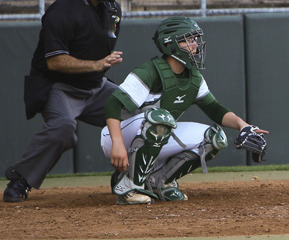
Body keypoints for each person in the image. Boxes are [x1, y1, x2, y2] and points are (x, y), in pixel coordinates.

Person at [101, 17, 269, 205]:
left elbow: (214, 109)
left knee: (214, 138)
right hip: (117, 136)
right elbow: (113, 105)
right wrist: (117, 144)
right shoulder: (149, 71)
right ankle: (129, 185)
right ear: (169, 43)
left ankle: (160, 181)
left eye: (195, 39)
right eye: (188, 40)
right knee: (161, 119)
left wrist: (244, 126)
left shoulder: (194, 77)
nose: (195, 44)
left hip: (154, 132)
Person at [3, 0, 122, 203]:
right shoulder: (62, 12)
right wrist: (97, 64)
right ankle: (21, 179)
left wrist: (98, 68)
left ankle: (128, 176)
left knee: (140, 112)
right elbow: (54, 61)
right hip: (60, 86)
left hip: (96, 85)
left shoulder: (112, 8)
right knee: (63, 130)